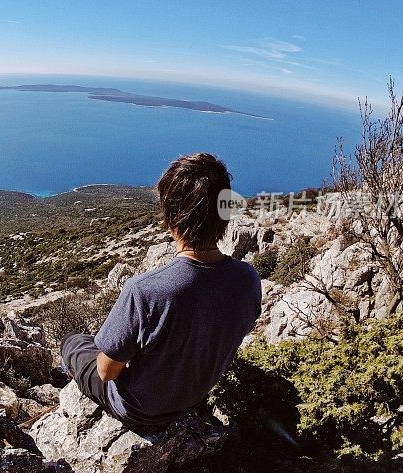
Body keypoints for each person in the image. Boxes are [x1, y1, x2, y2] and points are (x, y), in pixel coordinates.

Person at [61, 152, 261, 429]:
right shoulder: (248, 278)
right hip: (194, 397)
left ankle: (64, 381)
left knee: (74, 343)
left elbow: (107, 373)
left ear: (173, 214)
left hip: (139, 410)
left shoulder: (146, 291)